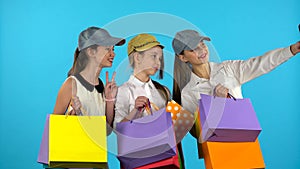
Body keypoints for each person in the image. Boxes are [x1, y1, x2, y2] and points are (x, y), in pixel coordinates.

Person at [172, 29, 300, 158]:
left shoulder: (229, 69)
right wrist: (218, 102)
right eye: (193, 49)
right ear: (182, 57)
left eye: (202, 45)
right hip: (218, 153)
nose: (202, 50)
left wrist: (292, 50)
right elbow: (199, 132)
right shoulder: (188, 93)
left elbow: (261, 63)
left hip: (246, 143)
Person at [114, 33, 185, 168]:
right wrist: (135, 111)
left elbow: (176, 129)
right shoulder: (123, 91)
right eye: (153, 56)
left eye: (160, 58)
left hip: (167, 160)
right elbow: (118, 129)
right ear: (137, 57)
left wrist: (178, 119)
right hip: (140, 161)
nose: (158, 62)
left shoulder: (163, 91)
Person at [53, 26, 125, 131]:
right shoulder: (72, 84)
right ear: (91, 52)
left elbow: (106, 131)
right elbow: (54, 127)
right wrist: (71, 119)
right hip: (75, 147)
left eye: (112, 49)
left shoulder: (102, 86)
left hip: (97, 147)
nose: (112, 54)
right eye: (107, 49)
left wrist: (109, 100)